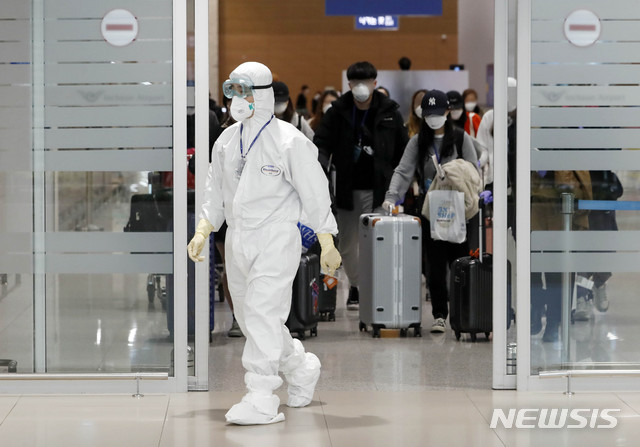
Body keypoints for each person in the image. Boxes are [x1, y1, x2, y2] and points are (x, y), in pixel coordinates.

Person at [187, 62, 341, 425]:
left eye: (244, 92)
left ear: (262, 95)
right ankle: (300, 367)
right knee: (252, 316)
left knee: (261, 312)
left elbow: (315, 191)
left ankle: (260, 396)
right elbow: (215, 190)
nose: (236, 101)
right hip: (238, 238)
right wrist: (204, 228)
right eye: (232, 92)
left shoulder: (289, 141)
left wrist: (326, 239)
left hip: (276, 237)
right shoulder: (226, 140)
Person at [313, 61, 408, 310]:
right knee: (346, 246)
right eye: (356, 83)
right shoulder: (337, 112)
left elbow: (402, 150)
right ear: (349, 85)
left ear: (375, 84)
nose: (361, 87)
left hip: (380, 191)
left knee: (378, 243)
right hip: (347, 189)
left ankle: (373, 289)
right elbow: (321, 143)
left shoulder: (389, 112)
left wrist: (400, 187)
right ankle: (356, 283)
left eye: (366, 82)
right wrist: (319, 166)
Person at [382, 90, 479, 333]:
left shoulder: (460, 138)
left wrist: (481, 192)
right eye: (429, 114)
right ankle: (439, 315)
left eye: (438, 113)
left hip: (459, 210)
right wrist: (392, 196)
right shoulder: (418, 141)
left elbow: (474, 171)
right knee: (435, 267)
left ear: (447, 112)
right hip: (431, 210)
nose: (434, 118)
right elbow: (403, 171)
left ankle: (462, 314)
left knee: (460, 263)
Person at [530, 170, 592, 342]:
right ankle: (536, 307)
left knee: (556, 269)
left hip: (560, 203)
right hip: (534, 199)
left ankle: (553, 322)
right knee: (531, 264)